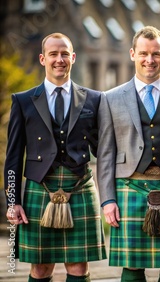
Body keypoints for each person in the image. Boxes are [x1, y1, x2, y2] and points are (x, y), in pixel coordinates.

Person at [97, 26, 160, 282]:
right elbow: (105, 153)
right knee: (132, 265)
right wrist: (107, 200)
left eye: (156, 54)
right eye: (143, 53)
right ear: (132, 54)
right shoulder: (110, 98)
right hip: (130, 188)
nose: (149, 60)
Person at [4, 32, 106, 282]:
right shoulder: (24, 100)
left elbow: (104, 151)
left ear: (73, 57)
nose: (59, 59)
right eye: (53, 54)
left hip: (80, 186)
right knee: (40, 268)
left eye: (64, 54)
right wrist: (12, 201)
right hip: (40, 188)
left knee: (79, 266)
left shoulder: (94, 99)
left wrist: (111, 196)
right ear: (42, 59)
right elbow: (14, 156)